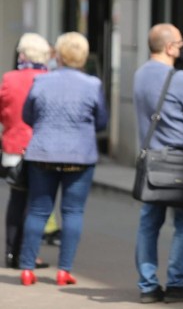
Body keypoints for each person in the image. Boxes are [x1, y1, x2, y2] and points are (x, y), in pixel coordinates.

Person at [19, 32, 109, 287]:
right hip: (79, 155)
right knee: (72, 212)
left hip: (43, 153)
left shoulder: (41, 81)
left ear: (57, 55)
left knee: (37, 210)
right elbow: (102, 121)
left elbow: (28, 115)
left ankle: (27, 269)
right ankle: (63, 271)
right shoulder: (92, 85)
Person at [133, 23, 183, 304]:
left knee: (148, 224)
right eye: (179, 44)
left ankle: (148, 286)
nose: (181, 49)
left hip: (153, 162)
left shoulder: (139, 74)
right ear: (168, 47)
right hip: (181, 162)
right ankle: (177, 284)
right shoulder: (178, 78)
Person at [1, 33, 51, 270]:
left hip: (13, 148)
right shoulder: (48, 79)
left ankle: (11, 252)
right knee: (36, 203)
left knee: (16, 200)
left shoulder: (9, 78)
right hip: (41, 149)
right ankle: (28, 256)